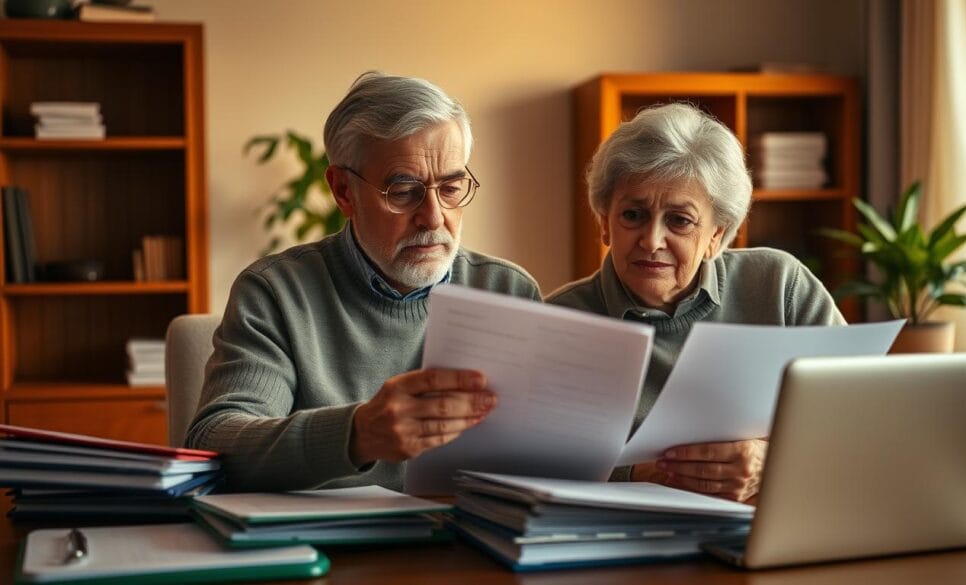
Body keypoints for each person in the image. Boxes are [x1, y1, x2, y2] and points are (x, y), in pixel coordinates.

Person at [185, 72, 541, 492]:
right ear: (343, 191)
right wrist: (355, 435)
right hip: (326, 547)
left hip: (472, 545)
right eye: (404, 190)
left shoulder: (509, 292)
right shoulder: (275, 293)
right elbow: (214, 445)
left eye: (450, 187)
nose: (433, 216)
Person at [547, 103, 844, 503]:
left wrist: (771, 461)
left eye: (679, 221)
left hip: (768, 532)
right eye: (633, 215)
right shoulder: (558, 321)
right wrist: (634, 476)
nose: (652, 240)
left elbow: (858, 418)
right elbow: (531, 465)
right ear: (604, 222)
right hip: (622, 541)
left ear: (716, 235)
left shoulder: (779, 286)